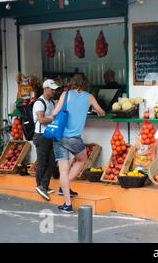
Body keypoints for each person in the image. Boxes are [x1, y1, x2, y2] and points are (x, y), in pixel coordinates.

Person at [52, 74, 105, 213]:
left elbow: (55, 112)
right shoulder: (89, 97)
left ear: (73, 83)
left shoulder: (66, 94)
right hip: (74, 139)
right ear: (86, 84)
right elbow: (102, 113)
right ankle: (66, 186)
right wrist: (94, 110)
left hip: (59, 136)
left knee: (63, 170)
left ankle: (67, 204)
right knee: (82, 160)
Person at [33, 79, 58, 201]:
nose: (54, 91)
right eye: (52, 89)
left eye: (55, 89)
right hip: (41, 135)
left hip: (50, 135)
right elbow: (41, 120)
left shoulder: (53, 102)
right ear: (45, 89)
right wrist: (54, 119)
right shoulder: (39, 102)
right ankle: (40, 185)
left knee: (52, 161)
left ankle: (44, 185)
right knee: (42, 161)